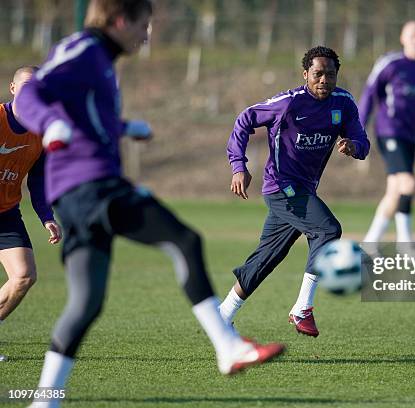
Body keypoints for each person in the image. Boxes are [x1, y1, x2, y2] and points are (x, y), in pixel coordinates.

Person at [15, 1, 284, 406]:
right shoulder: (83, 48)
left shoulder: (101, 60)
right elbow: (29, 95)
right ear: (121, 20)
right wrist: (49, 124)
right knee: (184, 240)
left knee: (85, 304)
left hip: (78, 194)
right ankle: (227, 347)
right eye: (144, 25)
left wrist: (125, 128)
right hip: (90, 186)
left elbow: (85, 116)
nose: (147, 35)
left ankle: (44, 400)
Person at [219, 46, 370, 337]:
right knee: (327, 230)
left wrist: (354, 147)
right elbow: (244, 120)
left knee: (267, 257)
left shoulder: (344, 104)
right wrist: (238, 166)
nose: (324, 80)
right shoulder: (288, 103)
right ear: (305, 75)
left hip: (304, 188)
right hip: (280, 186)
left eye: (330, 74)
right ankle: (302, 308)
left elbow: (361, 139)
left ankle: (223, 314)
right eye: (317, 74)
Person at [0, 66, 62, 362]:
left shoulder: (43, 131)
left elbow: (38, 180)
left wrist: (46, 216)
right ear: (13, 89)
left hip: (6, 213)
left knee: (24, 277)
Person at [359, 21, 415, 249]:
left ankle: (370, 243)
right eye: (412, 35)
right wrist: (358, 124)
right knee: (408, 184)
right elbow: (369, 92)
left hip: (410, 135)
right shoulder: (390, 64)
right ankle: (404, 244)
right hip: (388, 130)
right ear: (403, 38)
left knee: (394, 191)